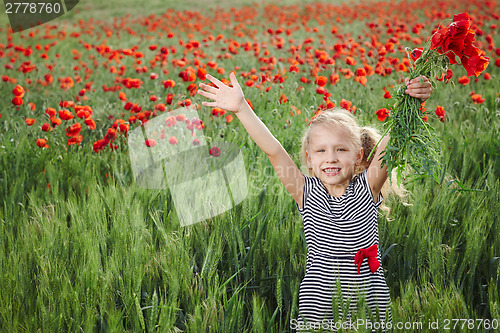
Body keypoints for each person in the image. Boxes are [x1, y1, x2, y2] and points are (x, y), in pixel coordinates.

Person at [197, 73, 432, 331]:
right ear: (309, 159)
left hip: (369, 302)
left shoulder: (367, 187)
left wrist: (413, 99)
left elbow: (393, 141)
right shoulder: (304, 192)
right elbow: (273, 150)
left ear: (358, 156)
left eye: (341, 149)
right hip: (318, 307)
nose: (330, 158)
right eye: (321, 151)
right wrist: (241, 108)